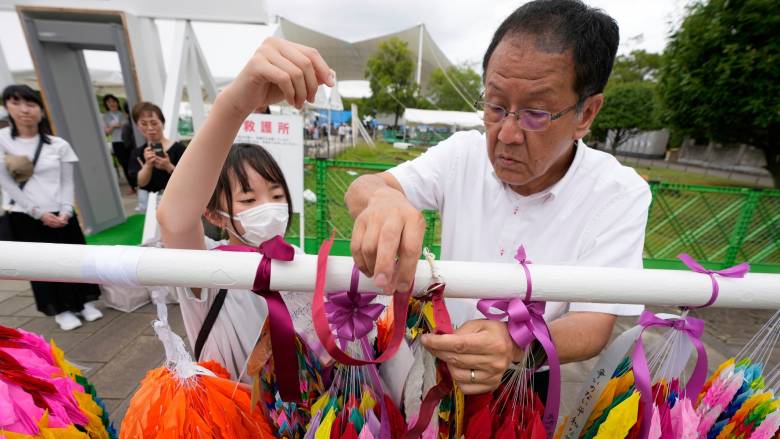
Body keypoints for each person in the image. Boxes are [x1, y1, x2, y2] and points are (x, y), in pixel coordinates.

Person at [345, 0, 650, 396]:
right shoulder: (462, 155)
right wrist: (383, 200)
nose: (507, 133)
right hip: (435, 369)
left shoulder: (618, 192)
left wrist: (515, 345)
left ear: (586, 113)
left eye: (535, 113)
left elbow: (594, 323)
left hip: (526, 380)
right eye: (495, 106)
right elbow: (361, 189)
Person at [156, 39, 334, 381]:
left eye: (277, 195)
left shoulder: (297, 259)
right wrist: (233, 106)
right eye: (249, 201)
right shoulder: (205, 270)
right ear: (215, 215)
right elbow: (174, 219)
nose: (268, 210)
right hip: (231, 421)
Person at [0, 85, 103, 331]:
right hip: (26, 215)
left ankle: (84, 302)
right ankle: (60, 309)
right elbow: (6, 184)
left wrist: (66, 210)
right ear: (7, 107)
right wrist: (38, 213)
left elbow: (67, 181)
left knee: (75, 260)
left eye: (31, 104)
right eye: (16, 103)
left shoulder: (57, 145)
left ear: (41, 110)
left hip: (62, 212)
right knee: (43, 265)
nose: (25, 110)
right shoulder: (3, 142)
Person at [127, 102, 186, 194]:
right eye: (144, 124)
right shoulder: (137, 154)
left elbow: (190, 179)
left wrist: (168, 166)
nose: (150, 128)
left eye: (154, 123)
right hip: (152, 203)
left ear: (163, 123)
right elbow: (141, 183)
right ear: (138, 127)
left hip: (179, 197)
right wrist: (148, 165)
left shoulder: (181, 150)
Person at [101, 94, 132, 192]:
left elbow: (125, 125)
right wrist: (114, 126)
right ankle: (132, 186)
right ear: (106, 104)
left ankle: (137, 184)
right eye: (109, 102)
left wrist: (113, 126)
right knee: (124, 164)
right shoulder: (105, 116)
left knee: (131, 162)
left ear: (117, 102)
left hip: (127, 140)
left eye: (113, 101)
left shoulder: (123, 114)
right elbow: (106, 132)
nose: (111, 103)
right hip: (116, 142)